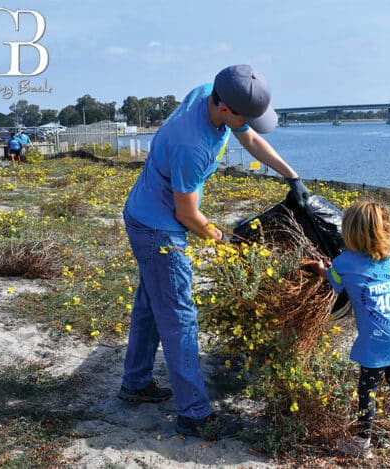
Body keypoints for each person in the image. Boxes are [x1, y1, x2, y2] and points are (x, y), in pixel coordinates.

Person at [118, 64, 310, 440]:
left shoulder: (212, 91)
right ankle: (194, 414)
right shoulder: (191, 145)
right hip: (160, 228)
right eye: (245, 116)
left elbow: (251, 138)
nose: (249, 123)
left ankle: (136, 382)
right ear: (225, 109)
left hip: (142, 212)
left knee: (150, 305)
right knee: (179, 317)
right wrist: (225, 241)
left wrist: (292, 175)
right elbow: (186, 213)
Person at [307, 200, 390, 458]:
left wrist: (321, 269)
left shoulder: (344, 262)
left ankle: (361, 443)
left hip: (377, 336)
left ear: (350, 232)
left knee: (367, 390)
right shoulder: (385, 257)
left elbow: (335, 282)